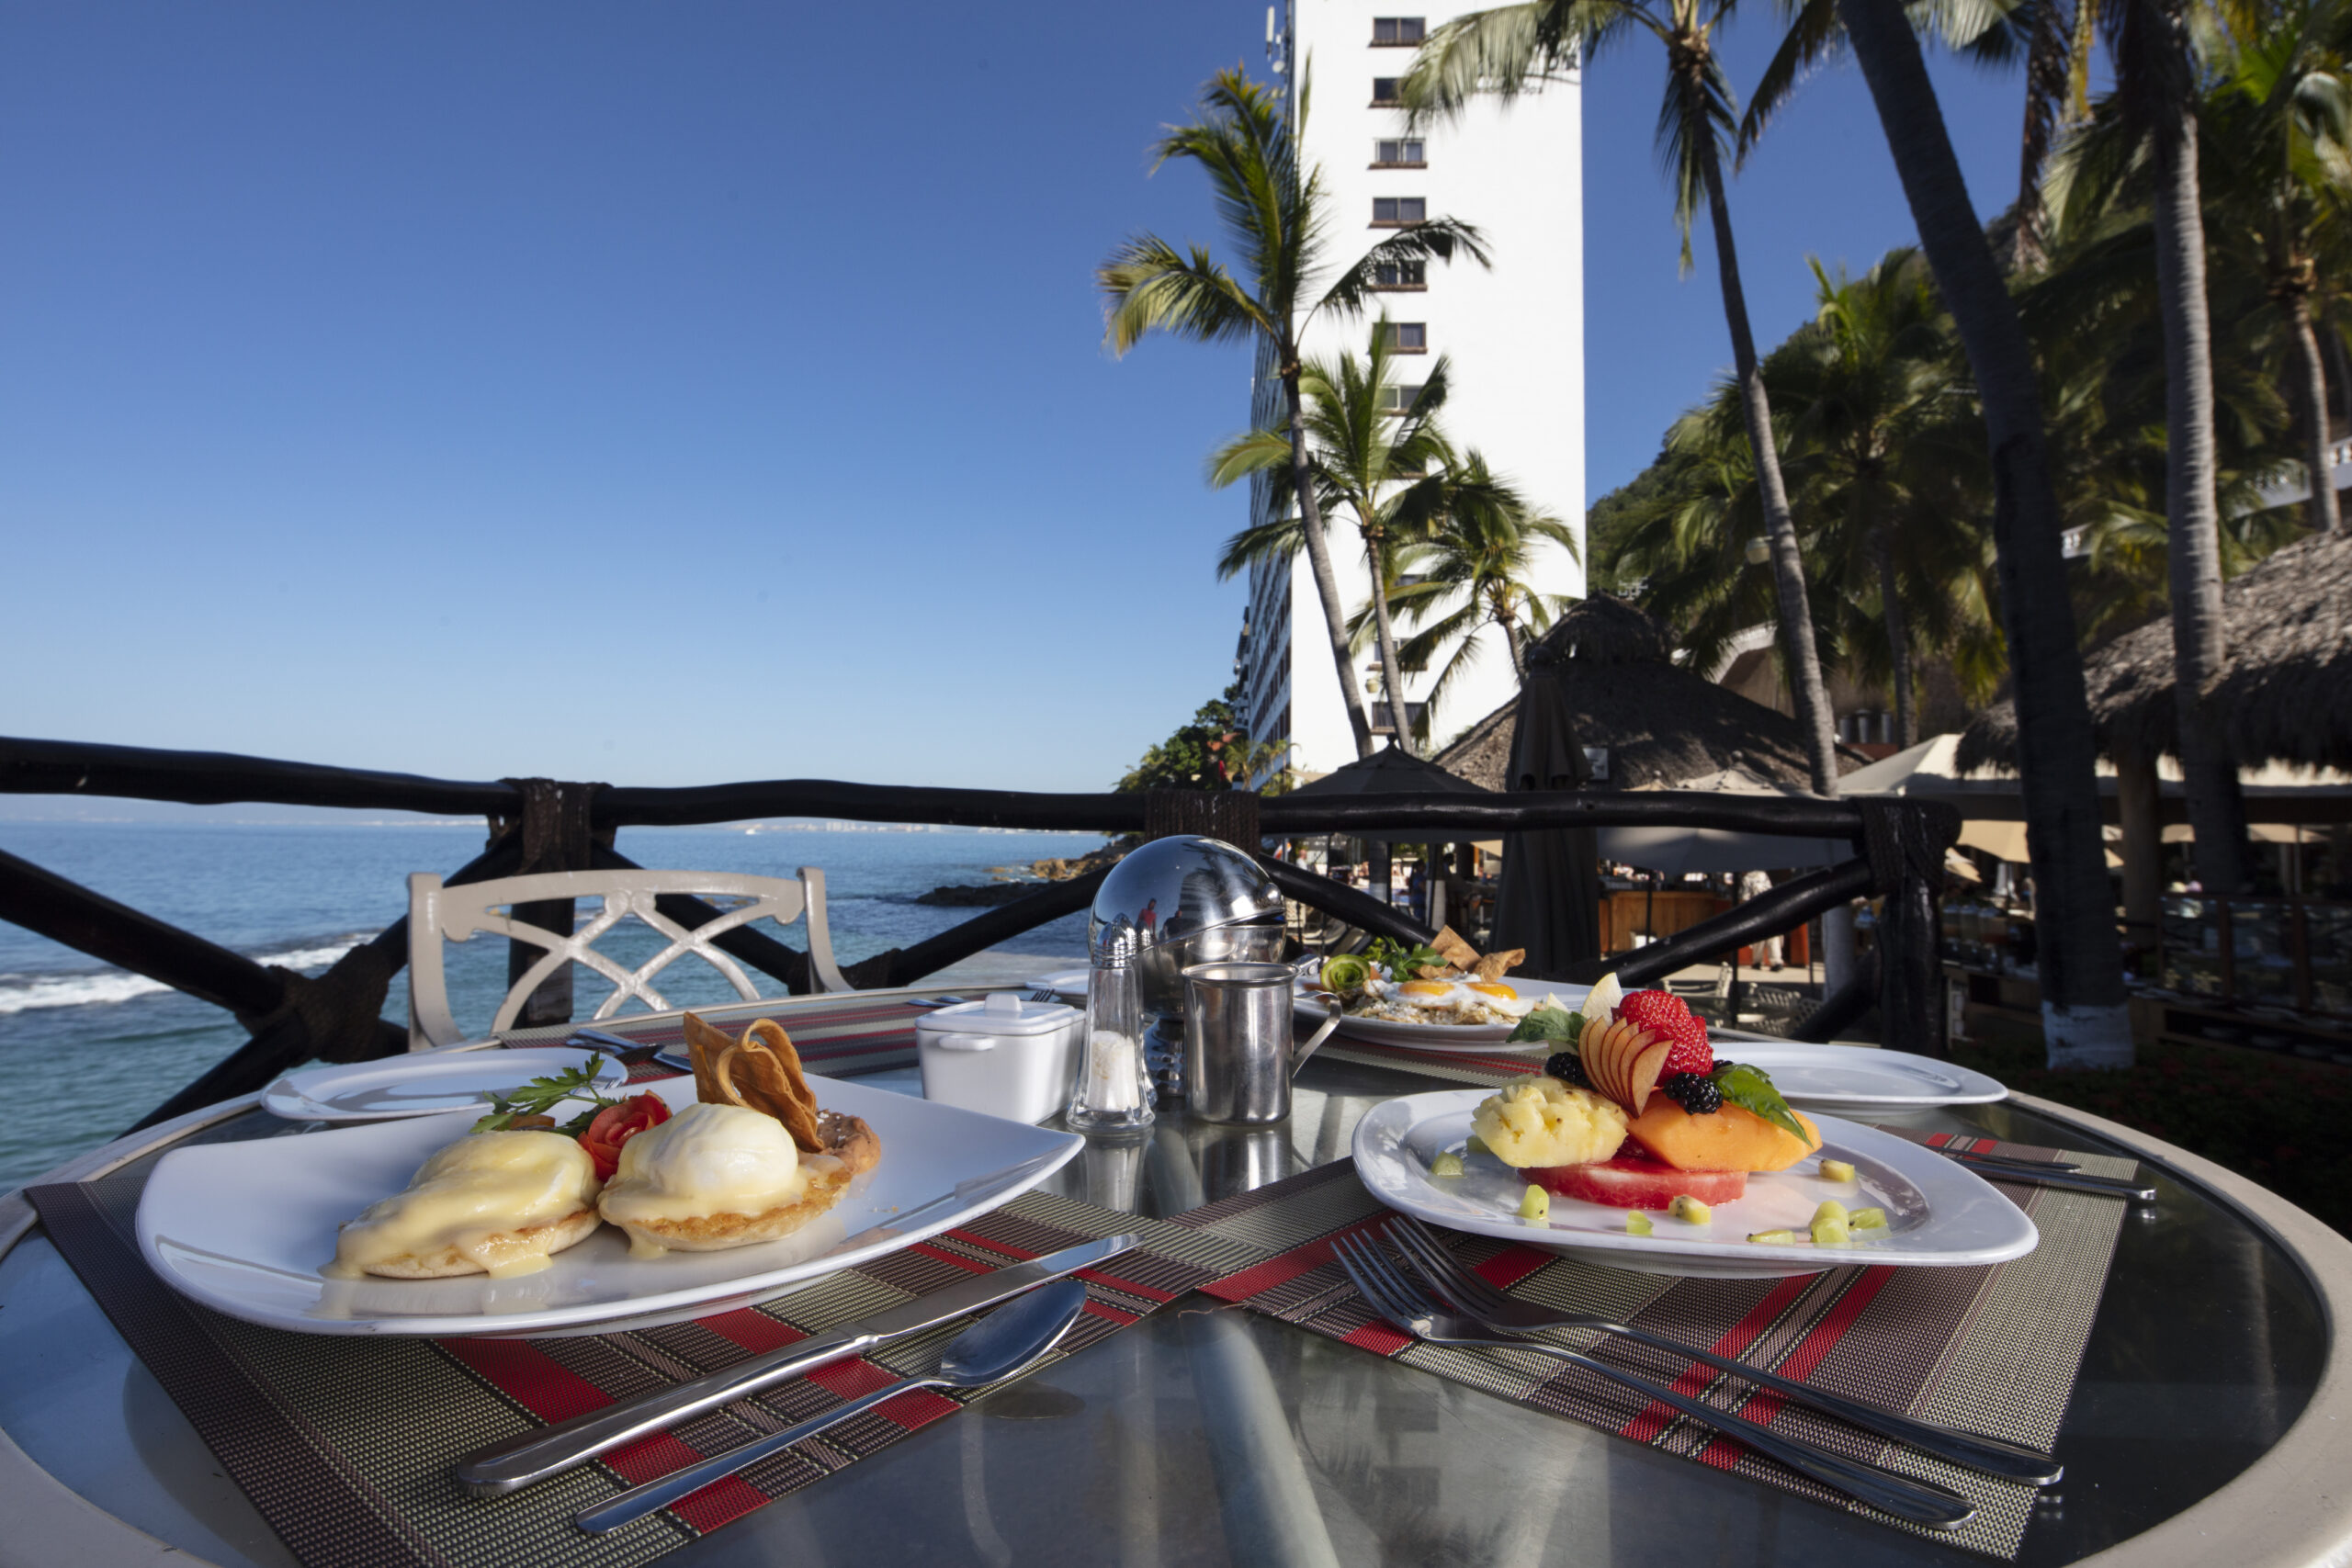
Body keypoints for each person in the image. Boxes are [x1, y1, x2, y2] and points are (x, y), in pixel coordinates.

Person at [1738, 868, 1784, 970]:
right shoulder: (1763, 874)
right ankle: (1776, 962)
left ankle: (1757, 962)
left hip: (1757, 909)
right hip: (1771, 908)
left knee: (1758, 936)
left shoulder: (1746, 878)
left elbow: (1744, 898)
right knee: (1773, 936)